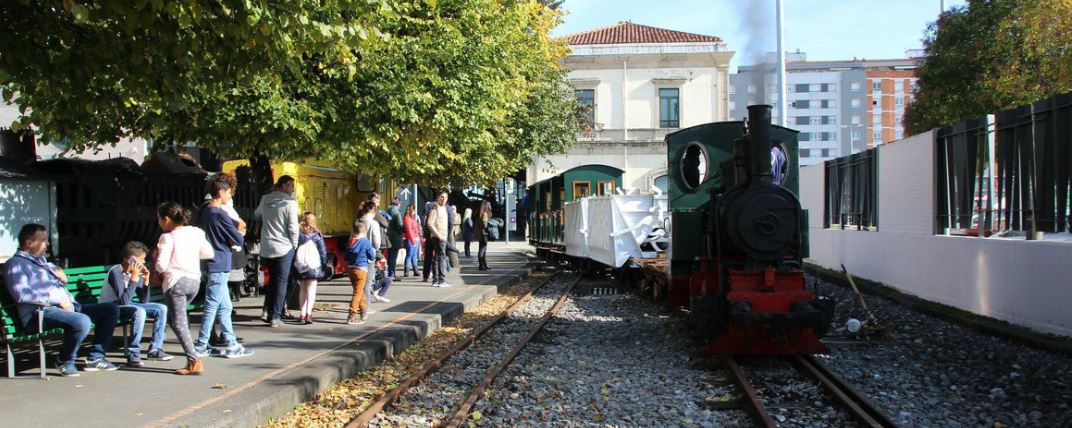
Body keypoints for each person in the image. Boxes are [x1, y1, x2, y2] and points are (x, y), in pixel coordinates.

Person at [4, 223, 120, 376]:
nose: (47, 244)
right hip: (40, 314)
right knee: (82, 321)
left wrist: (61, 277)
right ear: (29, 243)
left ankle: (96, 357)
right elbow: (21, 294)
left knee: (110, 310)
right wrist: (56, 299)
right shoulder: (16, 264)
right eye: (43, 240)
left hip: (68, 307)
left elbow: (57, 279)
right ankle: (65, 360)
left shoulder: (42, 262)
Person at [154, 202, 215, 375]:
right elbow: (209, 253)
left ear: (166, 219)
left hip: (176, 282)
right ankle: (193, 360)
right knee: (177, 321)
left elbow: (161, 265)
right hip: (194, 281)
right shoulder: (196, 232)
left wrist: (163, 269)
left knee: (178, 323)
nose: (159, 223)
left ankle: (194, 360)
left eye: (159, 219)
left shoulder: (168, 237)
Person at [197, 174, 254, 357]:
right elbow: (238, 236)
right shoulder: (220, 213)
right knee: (213, 305)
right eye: (228, 192)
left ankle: (231, 343)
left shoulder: (205, 211)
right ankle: (201, 345)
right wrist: (241, 231)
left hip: (210, 261)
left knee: (224, 305)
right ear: (221, 192)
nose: (230, 195)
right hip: (220, 261)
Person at [100, 241, 173, 367]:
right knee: (139, 311)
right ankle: (133, 353)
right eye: (141, 259)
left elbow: (144, 300)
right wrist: (134, 279)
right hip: (110, 307)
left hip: (125, 304)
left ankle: (155, 349)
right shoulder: (116, 272)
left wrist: (145, 281)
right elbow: (124, 302)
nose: (144, 263)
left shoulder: (135, 273)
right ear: (130, 260)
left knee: (161, 308)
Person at [256, 175, 299, 328]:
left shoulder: (265, 199)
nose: (293, 189)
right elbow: (293, 227)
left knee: (272, 281)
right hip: (284, 247)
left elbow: (257, 214)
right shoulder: (290, 203)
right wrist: (295, 245)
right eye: (292, 186)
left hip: (267, 246)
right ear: (285, 185)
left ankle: (267, 311)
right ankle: (275, 316)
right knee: (282, 282)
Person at [295, 212, 328, 324]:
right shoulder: (317, 235)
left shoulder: (298, 235)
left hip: (301, 266)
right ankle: (309, 314)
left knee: (302, 290)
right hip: (314, 266)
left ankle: (302, 314)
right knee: (311, 291)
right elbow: (323, 253)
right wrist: (323, 266)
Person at [344, 222, 375, 324]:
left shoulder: (350, 242)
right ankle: (351, 315)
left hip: (351, 269)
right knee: (357, 293)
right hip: (361, 270)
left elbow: (346, 258)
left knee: (359, 291)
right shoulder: (365, 242)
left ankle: (363, 312)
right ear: (364, 231)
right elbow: (372, 257)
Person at [356, 201, 384, 313]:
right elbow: (377, 242)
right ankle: (365, 308)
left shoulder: (357, 222)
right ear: (373, 210)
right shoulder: (374, 224)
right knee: (367, 283)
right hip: (369, 257)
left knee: (358, 284)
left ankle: (358, 305)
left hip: (357, 257)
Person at [426, 190, 451, 287]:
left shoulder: (443, 208)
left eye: (445, 197)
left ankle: (436, 280)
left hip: (442, 236)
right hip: (438, 237)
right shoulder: (435, 208)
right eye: (442, 197)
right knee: (441, 257)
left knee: (437, 257)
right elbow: (430, 223)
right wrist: (438, 235)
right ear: (438, 198)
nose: (444, 199)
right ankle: (441, 280)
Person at [385, 198, 404, 280]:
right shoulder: (397, 212)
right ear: (398, 203)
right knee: (393, 255)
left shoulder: (387, 211)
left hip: (388, 235)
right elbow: (400, 224)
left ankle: (390, 273)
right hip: (396, 236)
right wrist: (404, 229)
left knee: (390, 255)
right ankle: (392, 274)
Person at [402, 204, 421, 278]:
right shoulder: (407, 218)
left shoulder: (412, 218)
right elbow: (409, 230)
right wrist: (413, 240)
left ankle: (415, 270)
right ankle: (406, 271)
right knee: (409, 254)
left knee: (414, 255)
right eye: (414, 210)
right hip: (410, 238)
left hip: (415, 238)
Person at [476, 200, 492, 271]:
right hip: (484, 234)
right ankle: (482, 265)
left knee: (481, 249)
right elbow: (485, 225)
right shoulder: (485, 214)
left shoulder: (480, 213)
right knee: (483, 249)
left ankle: (483, 264)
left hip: (480, 233)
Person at [448, 205, 461, 269]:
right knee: (451, 246)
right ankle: (452, 263)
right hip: (451, 231)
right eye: (452, 209)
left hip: (456, 230)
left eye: (454, 209)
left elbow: (459, 222)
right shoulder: (449, 214)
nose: (453, 210)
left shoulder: (458, 215)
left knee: (454, 244)